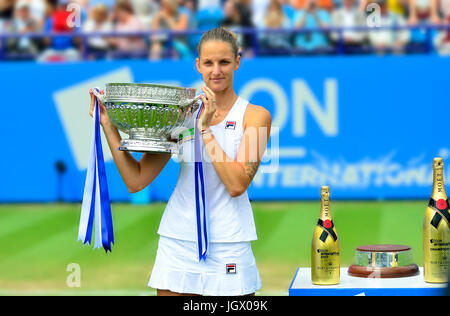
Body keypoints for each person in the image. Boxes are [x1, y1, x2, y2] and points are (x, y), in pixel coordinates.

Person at [88, 27, 272, 296]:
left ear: (237, 62)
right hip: (178, 240)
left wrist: (205, 130)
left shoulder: (257, 116)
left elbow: (237, 184)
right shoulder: (179, 113)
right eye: (208, 63)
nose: (216, 71)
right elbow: (136, 180)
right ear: (198, 65)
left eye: (224, 62)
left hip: (230, 242)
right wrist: (108, 125)